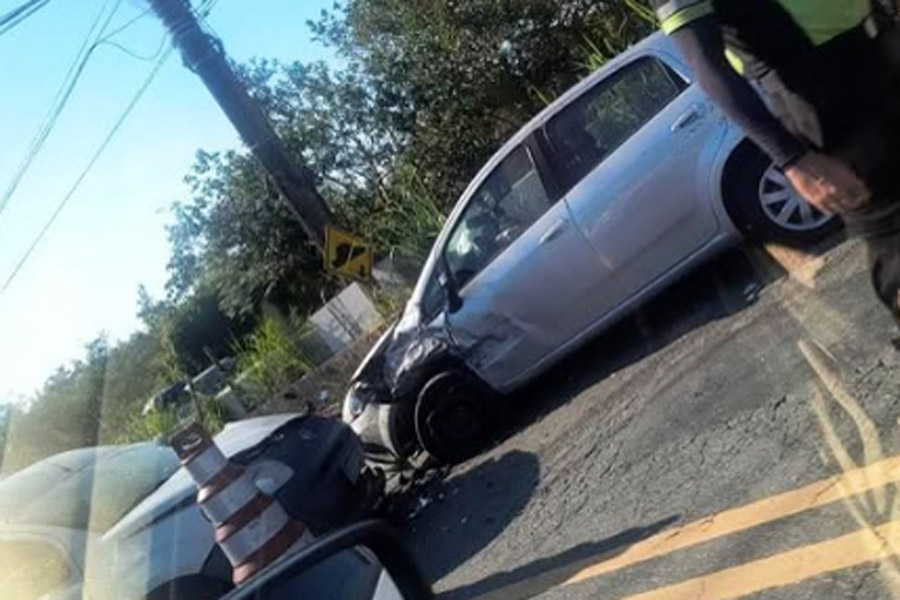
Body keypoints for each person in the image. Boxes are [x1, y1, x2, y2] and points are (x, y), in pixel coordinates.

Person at [651, 0, 900, 321]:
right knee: (891, 233)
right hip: (827, 99)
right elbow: (705, 62)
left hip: (881, 44)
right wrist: (793, 160)